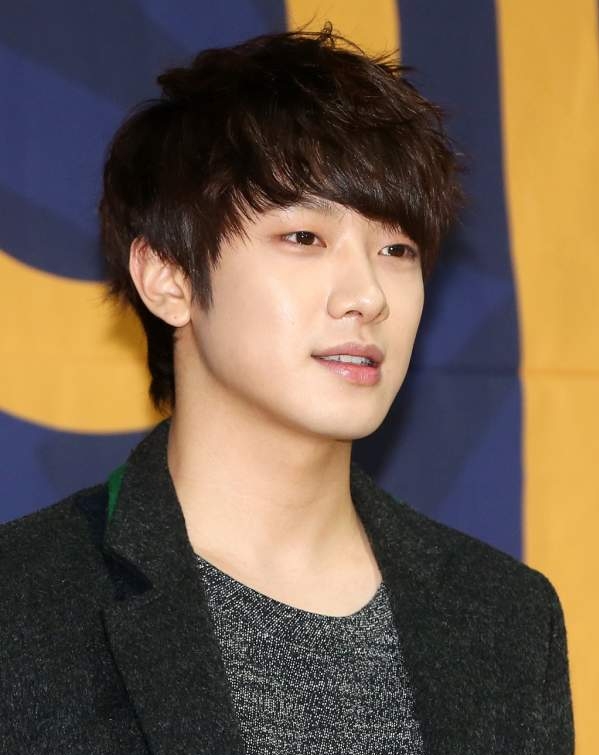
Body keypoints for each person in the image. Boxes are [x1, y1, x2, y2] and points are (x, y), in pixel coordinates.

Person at [0, 24, 574, 755]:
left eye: (396, 248)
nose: (367, 295)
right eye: (304, 238)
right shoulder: (24, 601)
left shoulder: (505, 618)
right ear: (167, 277)